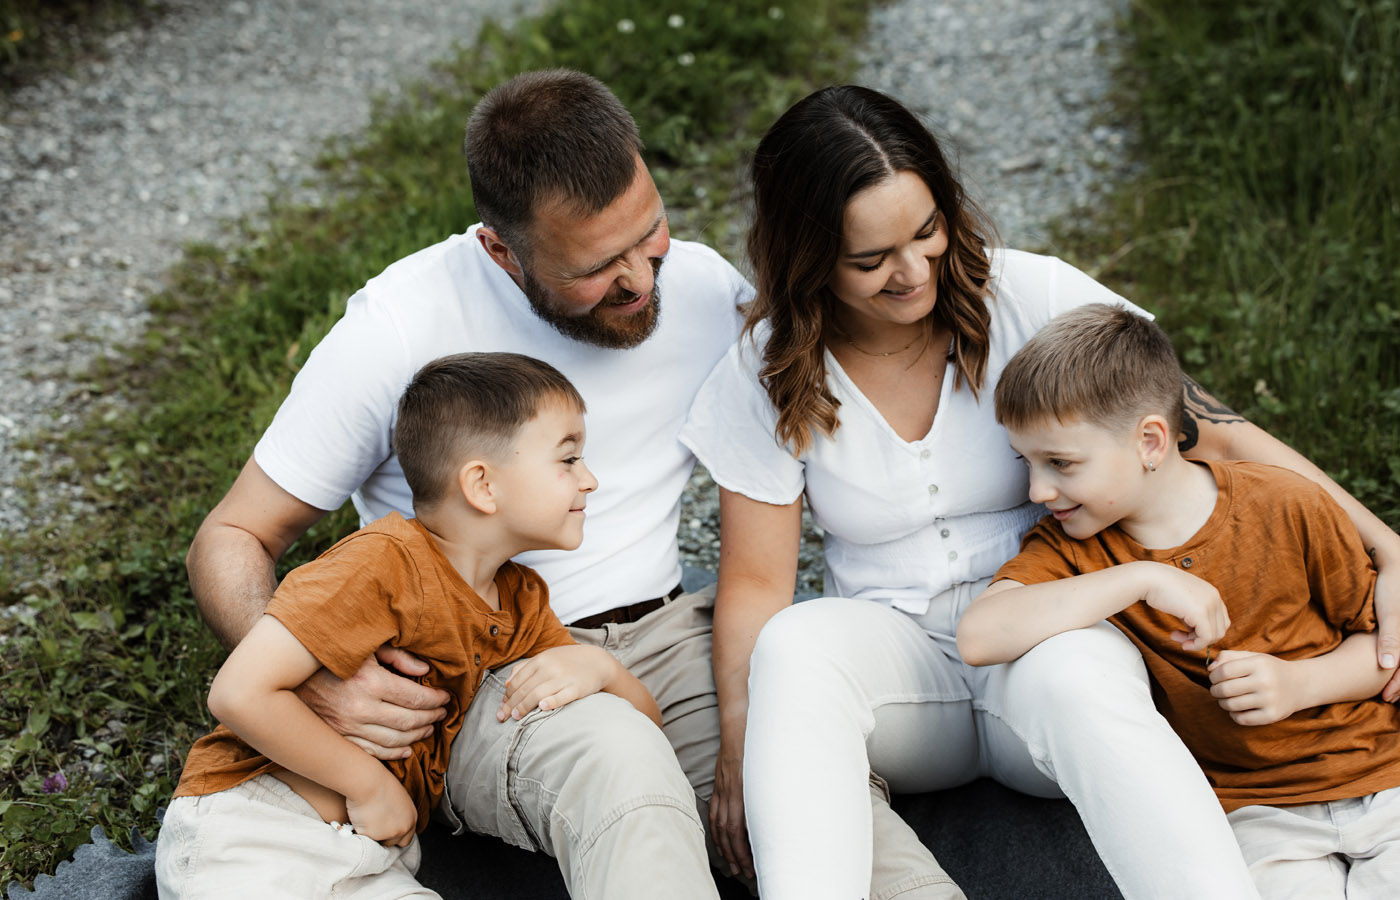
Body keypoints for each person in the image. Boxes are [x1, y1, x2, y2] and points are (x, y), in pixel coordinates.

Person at [677, 84, 1400, 900]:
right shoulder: (767, 367)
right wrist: (738, 749)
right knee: (794, 644)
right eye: (870, 260)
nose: (911, 272)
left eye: (926, 232)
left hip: (1050, 639)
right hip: (903, 676)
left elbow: (1211, 432)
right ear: (807, 256)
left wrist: (1389, 548)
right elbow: (757, 584)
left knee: (1076, 670)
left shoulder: (1030, 293)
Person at [182, 70, 750, 890]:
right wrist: (313, 677)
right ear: (501, 250)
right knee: (621, 767)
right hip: (489, 666)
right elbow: (233, 535)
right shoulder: (399, 325)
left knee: (803, 795)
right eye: (596, 266)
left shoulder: (704, 288)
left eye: (651, 231)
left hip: (669, 635)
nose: (641, 279)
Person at [157, 353, 717, 899]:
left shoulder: (521, 598)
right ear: (482, 485)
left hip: (374, 855)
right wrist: (367, 784)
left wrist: (601, 668)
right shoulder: (383, 562)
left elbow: (646, 734)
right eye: (568, 460)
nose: (589, 480)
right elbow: (238, 693)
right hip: (256, 833)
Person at [957, 303, 1400, 898]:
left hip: (1383, 777)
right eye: (1028, 463)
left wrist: (1300, 684)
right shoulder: (1073, 551)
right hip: (1254, 814)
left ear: (1149, 441)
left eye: (1061, 463)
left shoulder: (1286, 503)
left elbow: (1383, 650)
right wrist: (1140, 579)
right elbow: (980, 636)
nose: (1038, 490)